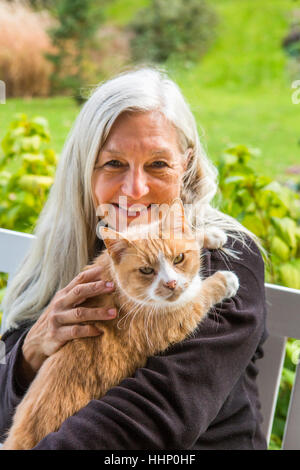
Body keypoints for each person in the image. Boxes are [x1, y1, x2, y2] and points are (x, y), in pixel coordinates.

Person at [0, 67, 268, 450]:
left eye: (158, 164)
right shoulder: (72, 250)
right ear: (85, 170)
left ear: (186, 166)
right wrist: (30, 353)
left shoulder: (220, 259)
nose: (135, 189)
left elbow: (146, 420)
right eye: (114, 164)